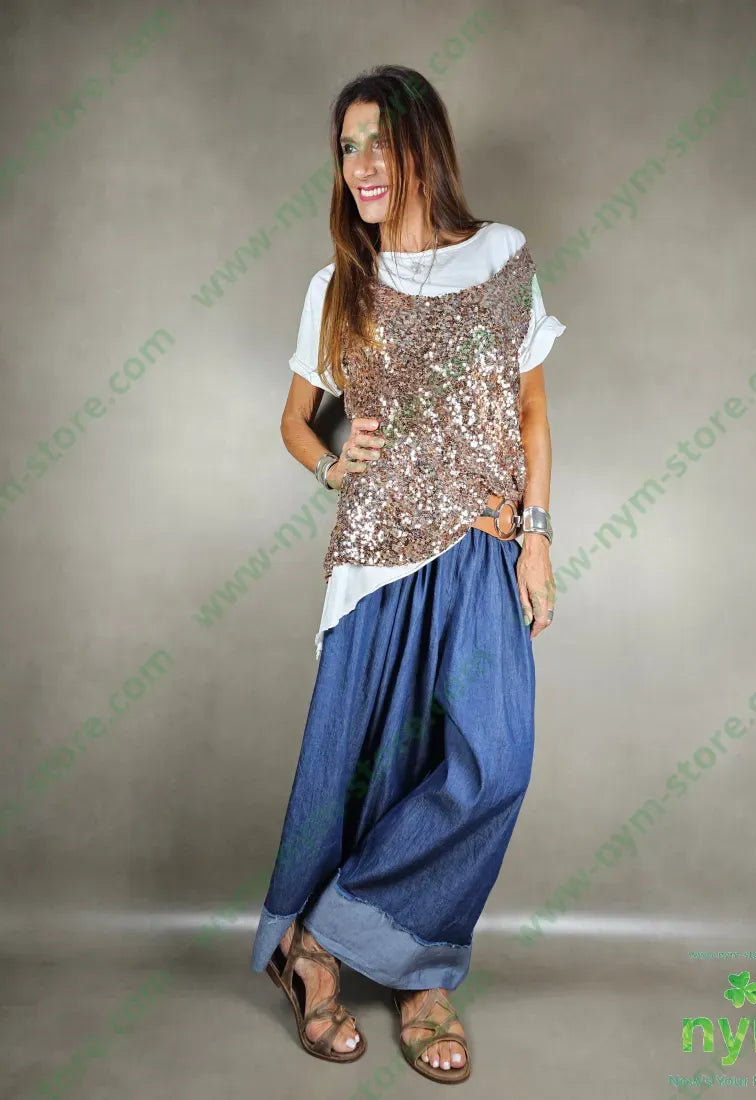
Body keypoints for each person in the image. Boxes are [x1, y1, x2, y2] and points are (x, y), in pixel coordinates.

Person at [250, 63, 565, 1084]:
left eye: (378, 141)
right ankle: (416, 977)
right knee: (375, 765)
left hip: (483, 546)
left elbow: (531, 411)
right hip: (378, 559)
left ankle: (326, 938)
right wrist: (332, 464)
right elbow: (295, 422)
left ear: (425, 146)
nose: (361, 165)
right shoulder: (337, 288)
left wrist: (538, 536)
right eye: (346, 147)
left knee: (492, 761)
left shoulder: (504, 256)